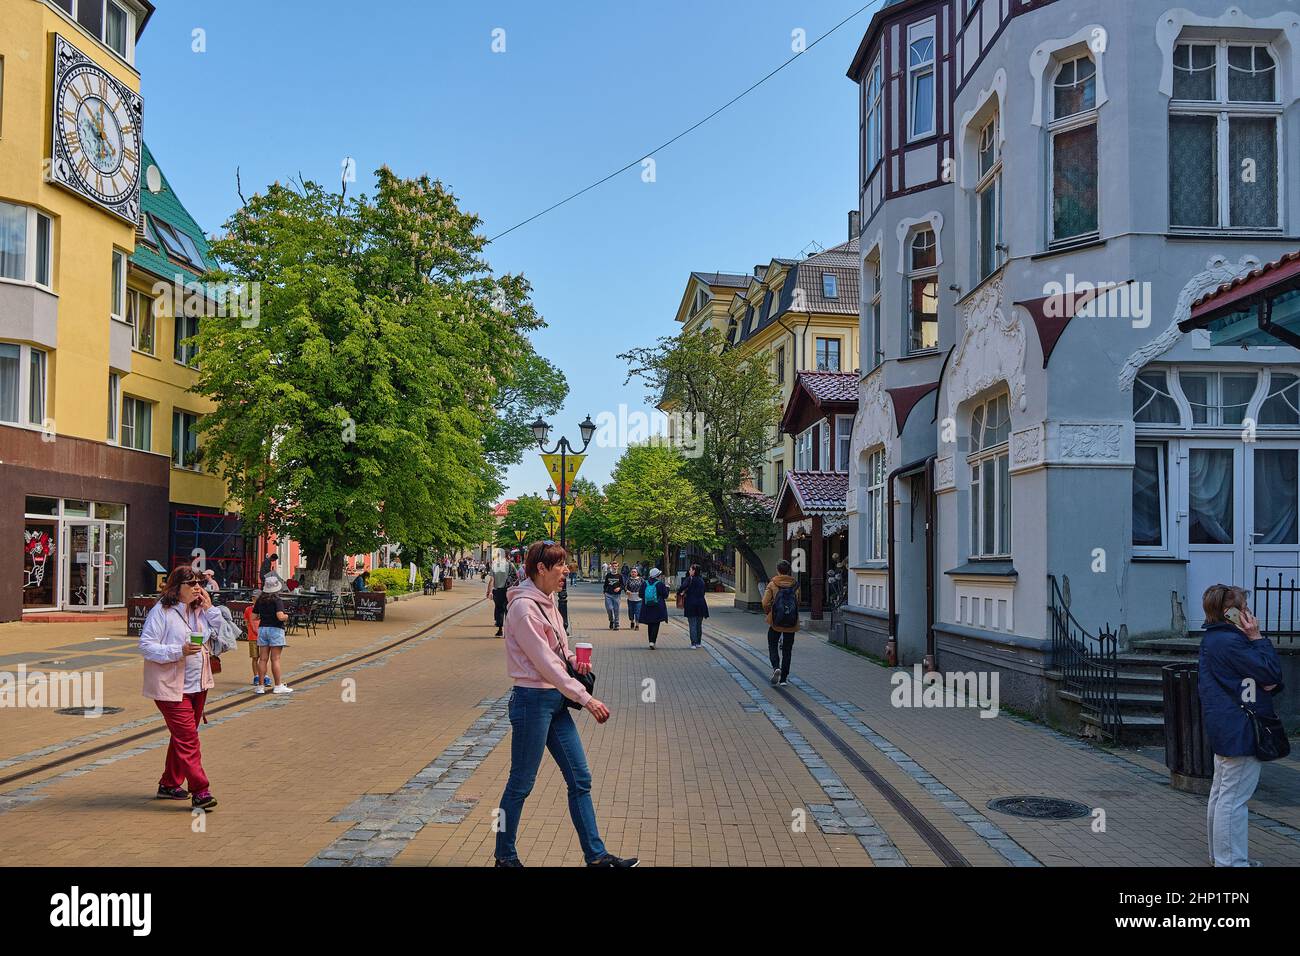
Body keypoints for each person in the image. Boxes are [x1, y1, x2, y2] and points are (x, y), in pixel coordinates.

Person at [494, 541, 637, 868]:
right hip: (531, 702)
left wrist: (574, 660)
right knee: (521, 783)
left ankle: (597, 857)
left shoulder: (548, 601)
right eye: (560, 565)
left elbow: (557, 650)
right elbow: (544, 663)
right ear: (540, 569)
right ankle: (505, 856)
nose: (566, 570)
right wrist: (586, 698)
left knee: (580, 778)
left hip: (555, 701)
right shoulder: (523, 608)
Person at [1198, 584, 1283, 867]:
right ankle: (1231, 863)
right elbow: (1270, 674)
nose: (1248, 612)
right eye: (1243, 607)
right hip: (1243, 727)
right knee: (1232, 801)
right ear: (1230, 613)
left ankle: (1221, 857)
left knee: (1221, 795)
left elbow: (1269, 681)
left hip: (1226, 726)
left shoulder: (1214, 640)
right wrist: (1257, 637)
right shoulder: (1232, 642)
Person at [138, 567, 221, 811]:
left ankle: (169, 783)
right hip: (170, 687)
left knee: (182, 737)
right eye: (191, 583)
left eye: (200, 583)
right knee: (188, 739)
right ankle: (200, 790)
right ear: (177, 587)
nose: (198, 587)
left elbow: (223, 633)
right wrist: (179, 651)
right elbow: (146, 646)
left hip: (198, 684)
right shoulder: (162, 612)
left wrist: (209, 608)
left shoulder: (199, 610)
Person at [253, 575, 293, 695]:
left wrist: (264, 616)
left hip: (263, 629)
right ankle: (278, 685)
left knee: (263, 659)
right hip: (275, 629)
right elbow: (280, 616)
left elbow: (254, 616)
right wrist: (287, 616)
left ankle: (260, 686)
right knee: (275, 659)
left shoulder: (260, 600)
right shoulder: (277, 600)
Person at [762, 560, 800, 686]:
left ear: (778, 570)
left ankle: (776, 667)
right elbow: (798, 602)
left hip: (776, 621)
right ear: (789, 570)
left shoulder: (773, 584)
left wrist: (770, 613)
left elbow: (765, 602)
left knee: (772, 644)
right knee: (787, 650)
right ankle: (784, 678)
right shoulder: (795, 584)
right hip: (791, 622)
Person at [676, 563, 709, 648]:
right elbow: (704, 592)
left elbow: (681, 588)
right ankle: (698, 643)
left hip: (691, 604)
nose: (689, 571)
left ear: (694, 571)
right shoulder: (702, 580)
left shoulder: (689, 579)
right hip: (701, 604)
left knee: (692, 624)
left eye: (690, 569)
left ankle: (693, 643)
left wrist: (680, 593)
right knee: (699, 624)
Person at [487, 554, 518, 637]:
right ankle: (507, 632)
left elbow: (491, 580)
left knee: (499, 609)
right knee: (508, 610)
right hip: (508, 589)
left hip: (497, 590)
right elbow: (516, 577)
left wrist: (489, 591)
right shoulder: (510, 565)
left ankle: (500, 630)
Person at [637, 567, 669, 649]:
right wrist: (667, 588)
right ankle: (652, 642)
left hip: (647, 606)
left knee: (650, 624)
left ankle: (650, 641)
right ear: (657, 575)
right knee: (656, 623)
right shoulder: (660, 584)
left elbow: (640, 595)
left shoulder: (645, 583)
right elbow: (665, 595)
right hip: (658, 607)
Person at [243, 592, 267, 688]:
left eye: (257, 598)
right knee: (255, 658)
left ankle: (264, 675)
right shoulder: (248, 609)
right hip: (253, 637)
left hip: (262, 637)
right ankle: (256, 676)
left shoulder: (264, 609)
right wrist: (250, 628)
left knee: (263, 658)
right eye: (254, 598)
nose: (255, 600)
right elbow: (246, 621)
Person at [602, 563, 623, 630]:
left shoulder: (620, 576)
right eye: (613, 566)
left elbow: (623, 585)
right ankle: (611, 620)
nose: (614, 567)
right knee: (609, 609)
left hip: (617, 595)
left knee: (616, 610)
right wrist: (605, 592)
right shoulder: (608, 575)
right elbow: (605, 584)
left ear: (618, 567)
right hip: (608, 595)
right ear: (611, 567)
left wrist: (619, 588)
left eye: (616, 566)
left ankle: (616, 624)